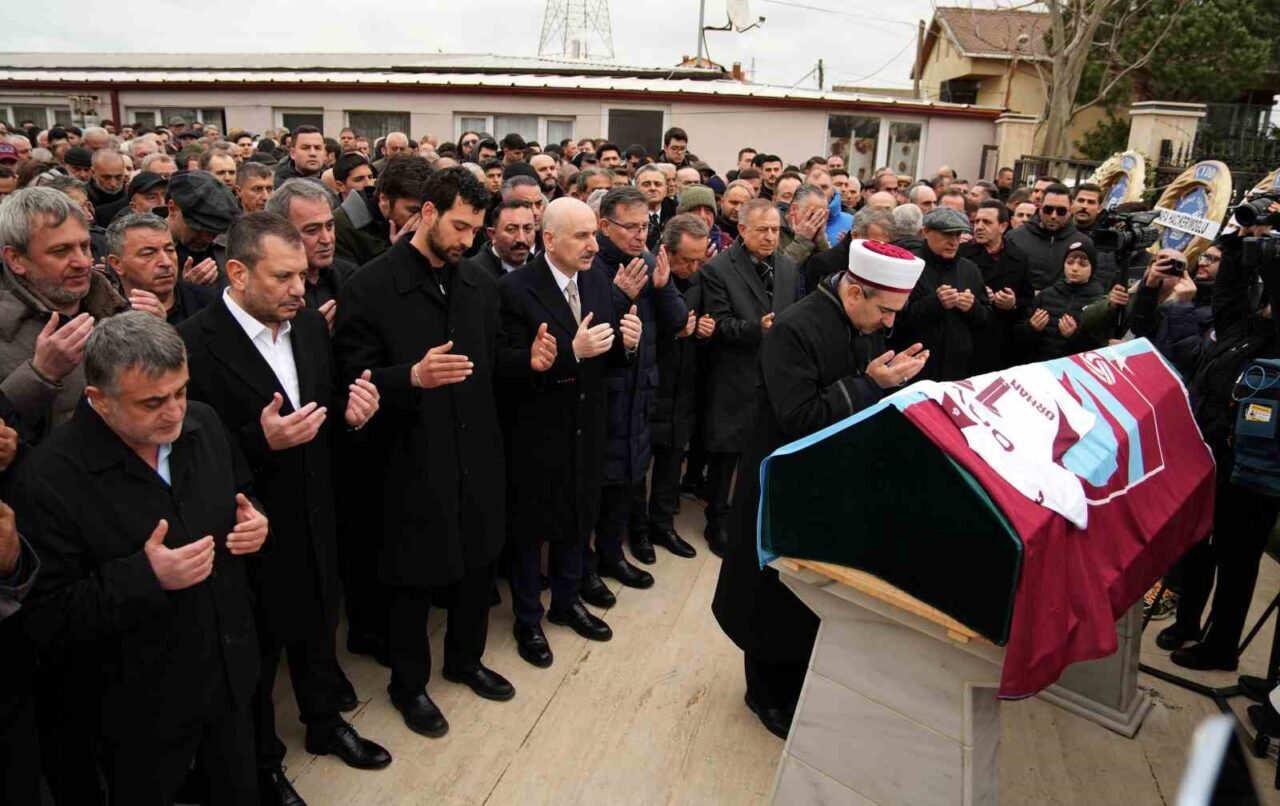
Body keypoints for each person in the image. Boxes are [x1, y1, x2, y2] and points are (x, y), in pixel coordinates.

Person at [12, 311, 269, 804]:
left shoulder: (203, 423)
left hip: (228, 677)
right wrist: (145, 577)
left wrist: (256, 520)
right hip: (136, 715)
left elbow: (242, 491)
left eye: (181, 392)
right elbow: (43, 618)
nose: (174, 412)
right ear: (99, 399)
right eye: (152, 402)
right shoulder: (48, 481)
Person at [179, 212, 390, 804]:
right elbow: (186, 448)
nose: (300, 288)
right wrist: (259, 440)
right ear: (237, 272)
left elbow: (326, 408)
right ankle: (263, 762)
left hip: (317, 511)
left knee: (319, 623)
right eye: (283, 277)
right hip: (246, 525)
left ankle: (324, 722)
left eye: (302, 275)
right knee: (257, 651)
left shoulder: (309, 327)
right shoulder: (193, 343)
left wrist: (353, 416)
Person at [713, 239, 928, 739]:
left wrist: (889, 385)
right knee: (771, 597)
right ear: (854, 292)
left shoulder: (861, 323)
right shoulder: (794, 328)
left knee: (809, 599)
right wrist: (871, 384)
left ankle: (798, 681)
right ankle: (764, 695)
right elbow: (800, 416)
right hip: (781, 483)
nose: (889, 323)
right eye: (885, 310)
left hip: (828, 483)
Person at [333, 167, 517, 736]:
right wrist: (410, 376)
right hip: (408, 457)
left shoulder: (479, 283)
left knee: (476, 567)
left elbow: (491, 362)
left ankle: (465, 660)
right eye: (459, 227)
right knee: (411, 580)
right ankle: (408, 685)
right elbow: (349, 377)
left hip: (476, 451)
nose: (467, 240)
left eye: (476, 231)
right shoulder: (370, 285)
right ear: (428, 213)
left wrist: (531, 361)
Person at [496, 196, 640, 667]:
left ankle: (567, 600)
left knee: (578, 519)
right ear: (549, 239)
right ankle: (528, 619)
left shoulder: (595, 280)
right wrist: (569, 354)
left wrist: (628, 346)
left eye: (593, 234)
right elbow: (504, 365)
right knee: (530, 531)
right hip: (537, 433)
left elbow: (607, 354)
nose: (593, 245)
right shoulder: (514, 290)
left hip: (588, 427)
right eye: (581, 236)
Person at [1158, 217, 1280, 672]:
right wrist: (1241, 241)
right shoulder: (1242, 326)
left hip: (1253, 469)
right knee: (1199, 543)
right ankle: (1188, 621)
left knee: (1237, 558)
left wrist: (1270, 258)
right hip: (1208, 452)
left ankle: (1221, 645)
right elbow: (1229, 291)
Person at [588, 187, 688, 589]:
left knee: (628, 479)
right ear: (604, 225)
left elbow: (677, 322)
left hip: (640, 391)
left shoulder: (646, 261)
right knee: (597, 486)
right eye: (630, 227)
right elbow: (587, 326)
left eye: (644, 226)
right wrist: (618, 295)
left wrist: (663, 288)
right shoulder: (589, 264)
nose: (639, 235)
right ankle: (586, 567)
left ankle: (612, 555)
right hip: (603, 394)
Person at [700, 199, 802, 556]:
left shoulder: (788, 267)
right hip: (734, 374)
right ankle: (717, 520)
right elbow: (718, 325)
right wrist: (756, 328)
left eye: (775, 229)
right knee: (726, 454)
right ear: (742, 230)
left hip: (776, 377)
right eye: (762, 230)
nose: (770, 237)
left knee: (764, 452)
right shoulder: (718, 269)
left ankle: (753, 518)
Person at [0, 187, 130, 438]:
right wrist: (40, 375)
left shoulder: (118, 307)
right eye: (61, 251)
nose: (82, 262)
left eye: (85, 246)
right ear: (16, 259)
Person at [647, 214, 712, 561]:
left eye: (699, 260)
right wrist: (674, 330)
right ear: (666, 251)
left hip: (684, 384)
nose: (692, 267)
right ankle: (637, 530)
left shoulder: (700, 277)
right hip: (651, 383)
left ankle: (662, 524)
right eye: (686, 260)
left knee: (672, 460)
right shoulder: (647, 277)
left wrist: (704, 328)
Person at [893, 207, 990, 381]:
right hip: (914, 368)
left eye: (958, 235)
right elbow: (893, 320)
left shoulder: (969, 269)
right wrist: (934, 303)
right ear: (926, 232)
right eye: (947, 234)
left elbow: (986, 319)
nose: (953, 242)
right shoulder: (907, 265)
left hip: (957, 369)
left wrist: (973, 307)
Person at [266, 179, 358, 331]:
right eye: (312, 230)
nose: (327, 239)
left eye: (330, 226)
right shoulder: (267, 293)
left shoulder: (351, 277)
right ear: (279, 233)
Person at [106, 212, 218, 326]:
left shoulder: (211, 304)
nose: (166, 262)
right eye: (148, 253)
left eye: (170, 250)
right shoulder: (103, 314)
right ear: (117, 264)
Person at [961, 199, 1030, 373]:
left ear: (1003, 226)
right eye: (977, 221)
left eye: (987, 222)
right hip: (967, 338)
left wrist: (1012, 303)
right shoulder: (962, 254)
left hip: (1002, 342)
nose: (979, 227)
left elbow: (1028, 299)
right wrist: (978, 297)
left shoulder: (1019, 257)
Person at [1126, 247, 1214, 381]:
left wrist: (1183, 305)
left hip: (1168, 381)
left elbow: (1191, 360)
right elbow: (1141, 330)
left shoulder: (1189, 300)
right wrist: (1149, 287)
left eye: (1212, 259)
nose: (1202, 263)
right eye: (1155, 262)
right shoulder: (1140, 292)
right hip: (1139, 372)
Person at [1015, 238, 1105, 361]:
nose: (1074, 268)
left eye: (1082, 264)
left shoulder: (1099, 302)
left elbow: (1101, 348)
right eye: (1070, 262)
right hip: (1041, 364)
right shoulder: (1046, 295)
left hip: (1074, 366)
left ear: (1092, 268)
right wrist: (1031, 327)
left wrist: (1074, 336)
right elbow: (1018, 334)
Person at [334, 155, 429, 267]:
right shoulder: (339, 227)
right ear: (384, 200)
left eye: (427, 211)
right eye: (413, 211)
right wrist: (397, 254)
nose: (422, 219)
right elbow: (350, 277)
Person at [1006, 182, 1093, 292]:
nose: (1053, 216)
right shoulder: (1014, 238)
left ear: (1070, 209)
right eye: (1048, 209)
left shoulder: (1082, 243)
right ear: (1039, 206)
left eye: (1061, 211)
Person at [166, 170, 239, 287]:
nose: (206, 238)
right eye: (198, 229)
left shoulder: (227, 249)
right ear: (172, 209)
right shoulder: (141, 244)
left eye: (214, 232)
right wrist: (184, 290)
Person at [464, 199, 536, 280]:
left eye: (528, 229)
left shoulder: (540, 268)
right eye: (511, 229)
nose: (521, 238)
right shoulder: (471, 273)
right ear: (492, 234)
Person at [778, 182, 829, 271]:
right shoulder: (774, 228)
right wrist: (802, 241)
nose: (817, 222)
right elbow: (779, 271)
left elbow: (827, 270)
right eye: (812, 215)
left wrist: (820, 242)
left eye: (821, 216)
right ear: (794, 209)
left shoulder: (818, 233)